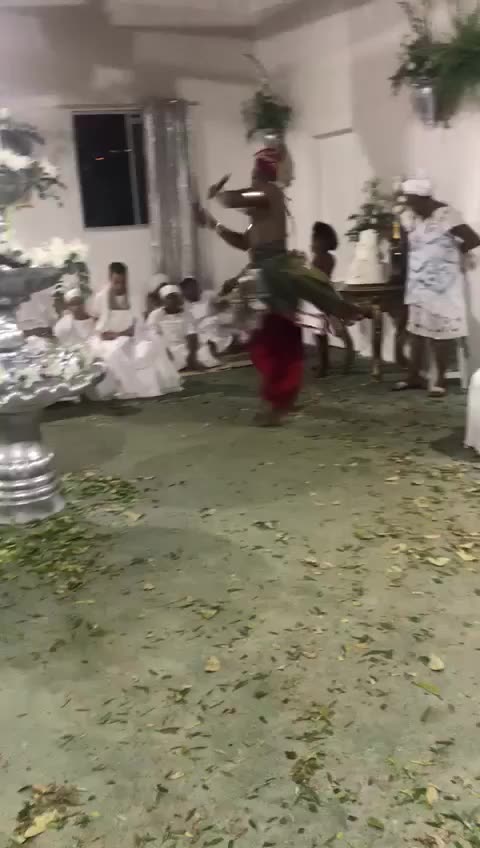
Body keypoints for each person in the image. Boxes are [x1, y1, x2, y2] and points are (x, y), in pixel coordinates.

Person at [194, 148, 358, 425]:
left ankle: (278, 403)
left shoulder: (270, 192)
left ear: (262, 171)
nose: (251, 174)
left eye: (254, 170)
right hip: (264, 276)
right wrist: (213, 224)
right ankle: (281, 399)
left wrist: (217, 194)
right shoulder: (259, 214)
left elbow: (236, 198)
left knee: (276, 340)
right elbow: (243, 242)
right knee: (266, 342)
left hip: (275, 275)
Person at [394, 178, 480, 397]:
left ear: (425, 199)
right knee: (415, 331)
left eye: (412, 201)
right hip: (417, 282)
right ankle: (413, 376)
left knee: (439, 333)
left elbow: (473, 238)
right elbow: (405, 245)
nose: (410, 206)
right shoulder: (410, 217)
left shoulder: (446, 214)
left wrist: (454, 253)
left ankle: (440, 380)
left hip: (443, 286)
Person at [91, 262, 181, 399]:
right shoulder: (100, 298)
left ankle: (148, 386)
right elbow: (97, 324)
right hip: (109, 341)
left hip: (133, 337)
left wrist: (123, 334)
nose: (120, 286)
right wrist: (107, 334)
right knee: (114, 353)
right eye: (116, 282)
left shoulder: (134, 296)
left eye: (123, 282)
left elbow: (138, 324)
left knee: (147, 349)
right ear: (110, 279)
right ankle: (128, 388)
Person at [147, 284, 218, 371]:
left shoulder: (186, 314)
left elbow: (192, 335)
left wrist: (192, 355)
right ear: (163, 300)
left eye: (175, 297)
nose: (173, 300)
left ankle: (189, 362)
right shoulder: (156, 315)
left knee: (203, 351)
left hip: (184, 347)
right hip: (166, 348)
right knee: (160, 358)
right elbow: (153, 335)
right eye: (170, 298)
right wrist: (164, 349)